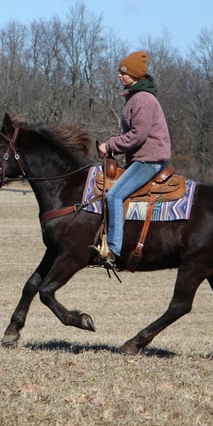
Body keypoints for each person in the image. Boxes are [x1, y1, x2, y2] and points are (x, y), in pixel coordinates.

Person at [90, 50, 172, 269]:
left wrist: (110, 145)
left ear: (135, 75)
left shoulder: (143, 100)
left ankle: (114, 251)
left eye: (124, 73)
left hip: (149, 160)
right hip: (141, 158)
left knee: (115, 195)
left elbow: (138, 135)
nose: (120, 75)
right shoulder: (135, 97)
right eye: (119, 72)